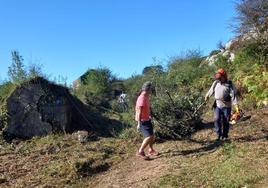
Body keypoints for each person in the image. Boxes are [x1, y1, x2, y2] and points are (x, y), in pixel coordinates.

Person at [205, 68, 240, 140]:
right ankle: (219, 135)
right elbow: (211, 90)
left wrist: (236, 106)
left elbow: (233, 96)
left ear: (224, 76)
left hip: (227, 106)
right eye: (218, 77)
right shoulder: (215, 83)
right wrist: (207, 95)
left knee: (226, 121)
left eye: (220, 77)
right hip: (218, 105)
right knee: (216, 119)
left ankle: (225, 136)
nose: (219, 79)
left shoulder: (229, 84)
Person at [135, 81, 158, 160]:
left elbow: (147, 108)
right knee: (149, 136)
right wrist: (139, 123)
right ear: (147, 89)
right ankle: (140, 151)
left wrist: (151, 115)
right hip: (143, 120)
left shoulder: (146, 97)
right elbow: (139, 111)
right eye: (151, 89)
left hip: (147, 119)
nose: (151, 91)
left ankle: (151, 150)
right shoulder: (142, 98)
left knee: (152, 135)